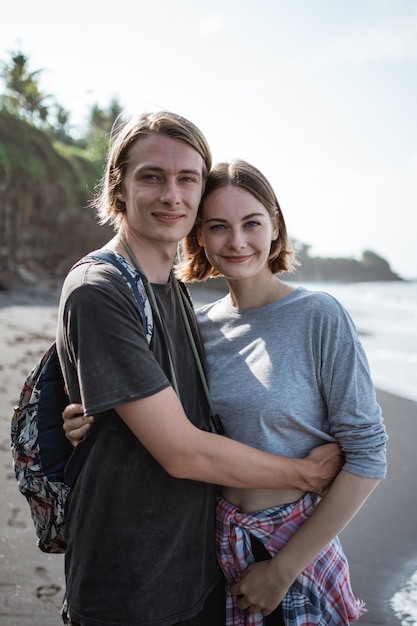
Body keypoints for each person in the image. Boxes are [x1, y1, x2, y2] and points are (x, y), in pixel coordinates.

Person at [56, 111, 343, 626]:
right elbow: (182, 451)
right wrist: (307, 474)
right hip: (129, 588)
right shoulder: (100, 290)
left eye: (187, 178)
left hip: (201, 571)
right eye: (152, 177)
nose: (173, 194)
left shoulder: (177, 295)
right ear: (118, 189)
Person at [175, 159, 388, 624]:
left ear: (274, 226)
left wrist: (283, 570)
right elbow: (171, 427)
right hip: (213, 550)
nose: (236, 241)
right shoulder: (194, 328)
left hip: (296, 551)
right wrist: (85, 418)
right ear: (199, 237)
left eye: (251, 223)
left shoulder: (319, 315)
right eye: (218, 227)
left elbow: (369, 456)